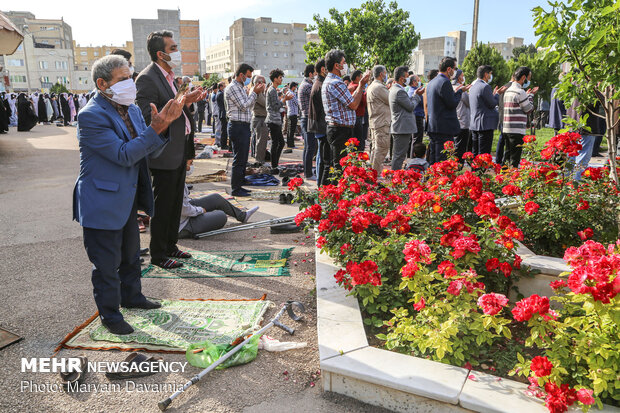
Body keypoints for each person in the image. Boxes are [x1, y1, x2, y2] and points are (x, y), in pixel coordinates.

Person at [74, 54, 185, 334]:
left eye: (130, 77)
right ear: (102, 83)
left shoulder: (133, 109)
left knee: (131, 255)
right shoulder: (91, 116)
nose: (130, 84)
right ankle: (110, 316)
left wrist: (164, 127)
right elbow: (124, 155)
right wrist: (156, 129)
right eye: (123, 79)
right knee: (106, 265)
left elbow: (148, 150)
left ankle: (133, 297)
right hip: (102, 201)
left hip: (127, 197)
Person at [135, 30, 204, 269]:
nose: (177, 52)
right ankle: (158, 254)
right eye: (173, 48)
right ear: (160, 53)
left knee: (175, 202)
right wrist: (177, 104)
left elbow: (178, 108)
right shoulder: (147, 78)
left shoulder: (170, 77)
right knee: (163, 204)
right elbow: (147, 117)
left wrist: (188, 100)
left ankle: (171, 245)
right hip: (164, 152)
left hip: (179, 147)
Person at [178, 160, 259, 238]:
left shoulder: (176, 175)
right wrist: (200, 210)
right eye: (191, 163)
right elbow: (184, 210)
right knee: (221, 216)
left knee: (216, 199)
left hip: (182, 215)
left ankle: (242, 216)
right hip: (181, 226)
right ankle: (195, 224)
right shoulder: (176, 182)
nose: (192, 166)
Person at [322, 49, 369, 175]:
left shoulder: (331, 81)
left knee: (337, 166)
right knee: (340, 168)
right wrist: (361, 85)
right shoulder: (336, 82)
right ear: (337, 65)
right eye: (344, 62)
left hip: (338, 129)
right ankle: (333, 193)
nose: (346, 65)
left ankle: (328, 192)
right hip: (340, 131)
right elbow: (353, 104)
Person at [224, 62, 265, 197]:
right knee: (239, 159)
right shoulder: (233, 88)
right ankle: (236, 188)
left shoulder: (240, 87)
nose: (248, 79)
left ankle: (240, 183)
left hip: (243, 125)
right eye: (247, 76)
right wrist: (254, 93)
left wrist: (253, 93)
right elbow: (244, 105)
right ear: (241, 75)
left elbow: (249, 106)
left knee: (242, 158)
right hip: (237, 125)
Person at [426, 57, 469, 164]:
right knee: (442, 161)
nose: (455, 71)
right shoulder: (445, 82)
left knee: (434, 159)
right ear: (449, 69)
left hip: (433, 126)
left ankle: (432, 180)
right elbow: (452, 103)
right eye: (455, 68)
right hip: (443, 128)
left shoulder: (432, 82)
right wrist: (459, 92)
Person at [389, 66, 424, 170]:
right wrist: (416, 96)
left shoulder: (398, 89)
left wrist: (414, 95)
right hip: (401, 128)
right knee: (399, 156)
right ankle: (395, 178)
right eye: (407, 77)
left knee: (399, 155)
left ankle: (396, 177)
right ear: (401, 78)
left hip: (401, 127)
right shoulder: (399, 91)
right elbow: (410, 106)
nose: (408, 79)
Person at [502, 66, 537, 167]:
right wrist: (530, 96)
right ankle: (511, 178)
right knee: (515, 158)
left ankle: (503, 177)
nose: (528, 81)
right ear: (523, 78)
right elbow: (528, 109)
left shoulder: (508, 90)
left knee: (507, 156)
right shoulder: (520, 92)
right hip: (516, 130)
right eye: (528, 78)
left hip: (507, 128)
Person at [469, 65, 506, 157]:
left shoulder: (473, 86)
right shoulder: (485, 87)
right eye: (490, 74)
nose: (490, 76)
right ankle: (480, 170)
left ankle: (474, 170)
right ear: (486, 74)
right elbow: (492, 104)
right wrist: (497, 94)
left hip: (475, 123)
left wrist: (493, 95)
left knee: (475, 151)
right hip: (484, 124)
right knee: (483, 153)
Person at [266, 68, 292, 174]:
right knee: (276, 143)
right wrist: (284, 100)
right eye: (280, 78)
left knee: (280, 143)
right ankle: (274, 165)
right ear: (275, 79)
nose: (281, 80)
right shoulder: (271, 90)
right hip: (273, 120)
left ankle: (275, 164)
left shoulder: (273, 90)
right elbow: (275, 106)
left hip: (275, 120)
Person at [308, 58, 329, 186]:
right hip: (321, 125)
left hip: (319, 124)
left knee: (321, 156)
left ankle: (319, 181)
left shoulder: (319, 83)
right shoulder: (320, 85)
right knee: (322, 157)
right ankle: (320, 183)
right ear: (323, 69)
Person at [366, 65, 391, 173]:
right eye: (385, 73)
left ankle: (372, 173)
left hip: (376, 122)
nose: (386, 76)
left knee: (375, 150)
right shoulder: (379, 87)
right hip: (382, 123)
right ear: (381, 74)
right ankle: (375, 175)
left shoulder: (372, 86)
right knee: (381, 150)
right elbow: (391, 99)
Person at [299, 64, 316, 179]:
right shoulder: (307, 86)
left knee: (308, 147)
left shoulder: (305, 84)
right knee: (310, 147)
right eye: (315, 73)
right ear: (310, 74)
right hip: (307, 118)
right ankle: (308, 173)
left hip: (306, 118)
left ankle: (307, 171)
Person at [452, 69, 471, 161]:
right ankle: (458, 165)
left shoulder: (451, 86)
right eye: (462, 76)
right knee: (460, 147)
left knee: (454, 145)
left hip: (454, 119)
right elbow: (469, 102)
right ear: (459, 77)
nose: (463, 78)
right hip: (462, 121)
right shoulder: (461, 89)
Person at [496, 75, 515, 163]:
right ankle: (501, 160)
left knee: (502, 138)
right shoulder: (511, 87)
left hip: (501, 115)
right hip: (507, 116)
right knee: (504, 139)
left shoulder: (505, 86)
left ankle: (498, 159)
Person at [251, 74, 269, 164]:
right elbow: (266, 104)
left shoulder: (259, 92)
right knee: (261, 142)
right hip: (260, 119)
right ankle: (259, 161)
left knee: (259, 140)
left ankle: (258, 158)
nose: (265, 85)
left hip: (260, 119)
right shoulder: (257, 92)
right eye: (264, 83)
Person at [348, 70, 368, 151]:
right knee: (359, 139)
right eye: (361, 76)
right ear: (357, 77)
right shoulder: (357, 87)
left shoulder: (350, 85)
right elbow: (364, 101)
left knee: (353, 140)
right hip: (358, 115)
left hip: (352, 116)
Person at [408, 75, 425, 147]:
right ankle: (414, 156)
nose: (420, 82)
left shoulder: (410, 90)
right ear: (414, 82)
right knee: (417, 139)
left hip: (415, 116)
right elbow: (422, 102)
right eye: (418, 80)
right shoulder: (415, 91)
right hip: (417, 116)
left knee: (413, 139)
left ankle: (410, 156)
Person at [285, 82, 300, 149]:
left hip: (289, 113)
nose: (296, 88)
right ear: (293, 87)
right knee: (292, 130)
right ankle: (291, 144)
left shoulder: (288, 92)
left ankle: (289, 143)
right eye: (296, 87)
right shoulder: (292, 94)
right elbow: (297, 103)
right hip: (293, 113)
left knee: (289, 130)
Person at [216, 81, 228, 149]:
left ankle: (224, 144)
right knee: (224, 131)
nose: (225, 87)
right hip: (223, 114)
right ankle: (223, 145)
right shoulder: (220, 94)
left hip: (223, 113)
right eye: (224, 86)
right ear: (220, 87)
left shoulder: (220, 93)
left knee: (224, 130)